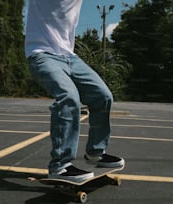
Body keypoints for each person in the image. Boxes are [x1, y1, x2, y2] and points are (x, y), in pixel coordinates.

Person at [25, 0, 124, 182]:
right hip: (41, 54)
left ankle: (96, 152)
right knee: (69, 97)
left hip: (70, 57)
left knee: (103, 96)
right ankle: (60, 166)